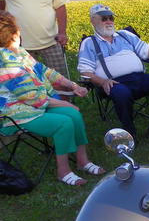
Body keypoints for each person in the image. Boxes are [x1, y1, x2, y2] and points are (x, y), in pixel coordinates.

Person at [0, 11, 104, 186]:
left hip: (35, 107)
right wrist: (64, 102)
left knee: (74, 115)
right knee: (63, 122)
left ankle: (82, 161)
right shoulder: (5, 62)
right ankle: (63, 171)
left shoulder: (18, 52)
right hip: (16, 114)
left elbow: (45, 71)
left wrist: (72, 85)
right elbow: (32, 98)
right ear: (14, 34)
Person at [78, 4, 149, 139]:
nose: (109, 21)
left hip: (139, 78)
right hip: (114, 83)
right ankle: (129, 132)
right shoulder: (89, 43)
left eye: (111, 18)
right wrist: (103, 81)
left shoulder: (125, 35)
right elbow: (85, 72)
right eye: (104, 18)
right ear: (93, 21)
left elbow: (148, 51)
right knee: (121, 93)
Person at [0, 0, 71, 79]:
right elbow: (1, 3)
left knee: (62, 81)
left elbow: (60, 6)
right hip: (18, 45)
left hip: (51, 41)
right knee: (27, 84)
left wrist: (62, 32)